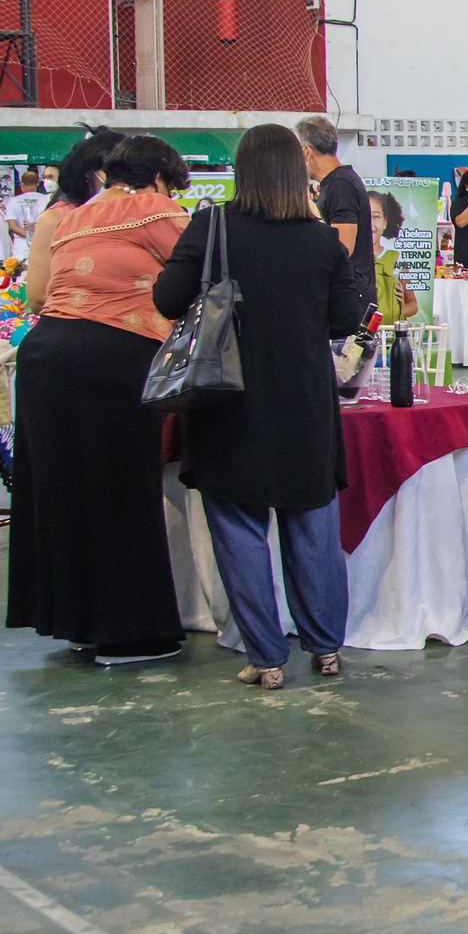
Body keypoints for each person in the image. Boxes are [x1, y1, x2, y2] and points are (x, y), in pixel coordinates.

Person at [153, 124, 364, 691]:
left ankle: (267, 657)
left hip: (228, 401)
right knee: (313, 529)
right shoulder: (321, 240)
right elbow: (346, 319)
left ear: (242, 171)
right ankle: (325, 648)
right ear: (298, 173)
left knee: (239, 531)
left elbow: (167, 299)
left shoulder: (212, 226)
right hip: (303, 402)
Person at [7, 136, 191, 666]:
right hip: (109, 353)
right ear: (158, 178)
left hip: (45, 355)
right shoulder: (154, 207)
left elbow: (37, 295)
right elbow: (203, 271)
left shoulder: (70, 216)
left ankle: (77, 621)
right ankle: (130, 634)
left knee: (64, 491)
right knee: (119, 488)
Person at [25, 130, 122, 313]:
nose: (120, 182)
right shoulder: (55, 219)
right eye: (111, 173)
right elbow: (38, 298)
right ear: (88, 172)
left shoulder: (131, 217)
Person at [295, 115, 376, 309]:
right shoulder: (336, 183)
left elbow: (342, 246)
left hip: (350, 295)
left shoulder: (340, 185)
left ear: (306, 152)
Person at [368, 190, 420, 324]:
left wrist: (400, 309)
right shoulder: (351, 257)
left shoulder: (397, 259)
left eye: (376, 217)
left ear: (385, 222)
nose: (370, 223)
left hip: (390, 334)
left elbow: (413, 304)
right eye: (365, 216)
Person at [5, 170, 47, 261]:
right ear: (38, 183)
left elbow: (12, 226)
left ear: (21, 183)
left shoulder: (13, 201)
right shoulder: (46, 199)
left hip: (21, 248)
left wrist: (28, 235)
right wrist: (35, 237)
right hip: (43, 244)